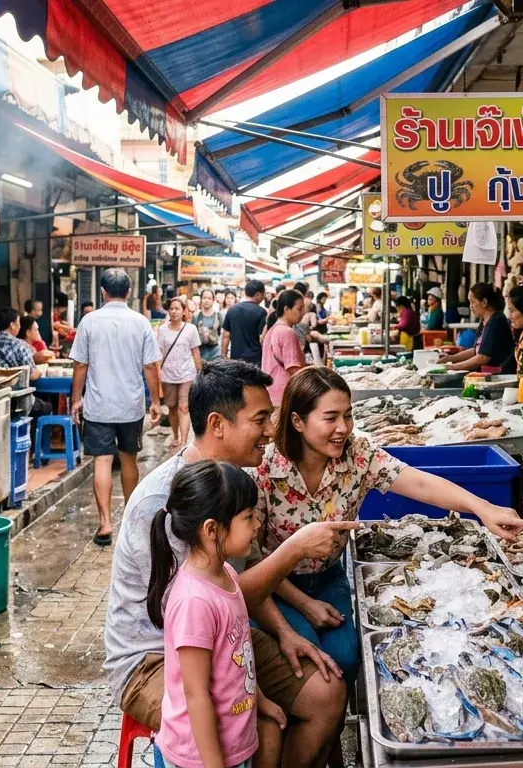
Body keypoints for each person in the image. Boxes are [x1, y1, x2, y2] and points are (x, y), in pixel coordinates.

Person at [107, 360, 356, 768]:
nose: (271, 432)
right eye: (260, 419)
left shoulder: (235, 482)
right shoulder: (166, 503)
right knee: (244, 726)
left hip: (223, 640)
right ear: (218, 424)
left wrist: (283, 632)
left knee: (328, 693)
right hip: (155, 659)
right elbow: (205, 608)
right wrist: (293, 550)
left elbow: (239, 577)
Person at [250, 368, 523, 679]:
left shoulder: (357, 456)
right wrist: (303, 603)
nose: (343, 428)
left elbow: (420, 484)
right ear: (298, 421)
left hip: (329, 578)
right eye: (330, 418)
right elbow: (254, 556)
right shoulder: (265, 469)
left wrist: (483, 508)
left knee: (347, 659)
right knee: (310, 665)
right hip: (275, 586)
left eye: (348, 415)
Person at [147, 460, 279, 768]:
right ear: (211, 529)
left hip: (234, 743)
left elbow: (239, 656)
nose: (257, 524)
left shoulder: (228, 574)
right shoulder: (194, 602)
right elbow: (196, 695)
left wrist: (261, 701)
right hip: (200, 757)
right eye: (248, 517)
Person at [71, 268, 164, 547]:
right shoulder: (140, 322)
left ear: (102, 291)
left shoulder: (89, 321)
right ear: (129, 292)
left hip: (98, 405)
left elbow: (80, 365)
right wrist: (156, 401)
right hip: (130, 405)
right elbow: (150, 366)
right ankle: (131, 520)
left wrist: (77, 398)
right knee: (128, 459)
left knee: (101, 461)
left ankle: (105, 524)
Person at [157, 298, 203, 448]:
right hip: (168, 374)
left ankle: (183, 441)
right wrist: (158, 374)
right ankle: (175, 435)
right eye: (171, 308)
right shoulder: (163, 329)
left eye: (177, 309)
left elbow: (195, 353)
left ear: (184, 311)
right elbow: (160, 353)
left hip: (186, 373)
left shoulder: (191, 329)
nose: (174, 311)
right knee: (171, 406)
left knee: (184, 407)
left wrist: (200, 372)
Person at [436, 283, 513, 373]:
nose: (470, 307)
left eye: (472, 302)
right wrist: (450, 358)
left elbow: (482, 358)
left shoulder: (496, 321)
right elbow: (476, 350)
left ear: (484, 302)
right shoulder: (484, 321)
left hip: (499, 375)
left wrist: (452, 367)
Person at [261, 290, 305, 406]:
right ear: (286, 309)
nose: (303, 313)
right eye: (299, 309)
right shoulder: (287, 332)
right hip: (284, 393)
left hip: (271, 393)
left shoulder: (274, 329)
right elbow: (293, 368)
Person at [0, 308, 42, 379]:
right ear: (12, 325)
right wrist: (41, 372)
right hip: (15, 388)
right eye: (18, 323)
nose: (20, 326)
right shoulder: (20, 345)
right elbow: (32, 375)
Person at [222, 280, 268, 366]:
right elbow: (262, 338)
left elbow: (226, 335)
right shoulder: (261, 312)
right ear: (258, 294)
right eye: (263, 293)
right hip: (255, 360)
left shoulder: (232, 310)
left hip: (236, 359)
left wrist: (224, 355)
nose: (264, 296)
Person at [195, 289, 223, 362]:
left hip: (215, 351)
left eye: (209, 298)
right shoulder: (196, 316)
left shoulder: (218, 315)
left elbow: (221, 333)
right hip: (200, 351)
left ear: (213, 300)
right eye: (204, 298)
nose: (206, 300)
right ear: (201, 299)